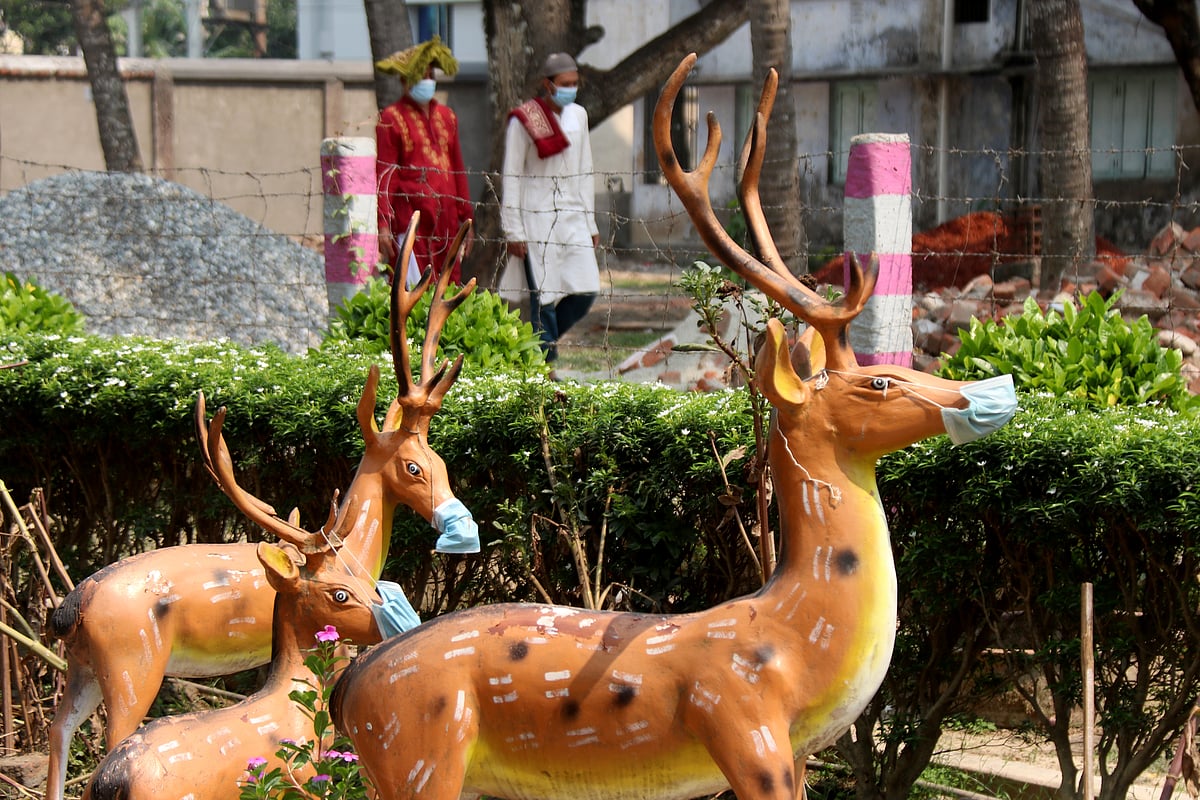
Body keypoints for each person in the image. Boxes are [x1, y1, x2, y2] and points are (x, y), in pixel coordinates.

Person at [500, 51, 601, 368]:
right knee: (543, 296)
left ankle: (538, 343)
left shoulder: (579, 115)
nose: (571, 89)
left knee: (586, 289)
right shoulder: (525, 119)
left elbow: (585, 169)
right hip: (536, 215)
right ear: (548, 84)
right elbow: (512, 174)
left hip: (573, 211)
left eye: (574, 83)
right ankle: (545, 364)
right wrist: (513, 228)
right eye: (564, 84)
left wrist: (591, 222)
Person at [374, 36, 473, 284]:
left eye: (431, 75)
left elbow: (457, 169)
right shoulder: (391, 117)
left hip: (447, 219)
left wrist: (466, 217)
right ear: (404, 81)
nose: (427, 81)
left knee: (448, 286)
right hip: (411, 221)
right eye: (421, 76)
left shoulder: (447, 116)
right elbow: (385, 174)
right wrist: (383, 224)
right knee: (413, 289)